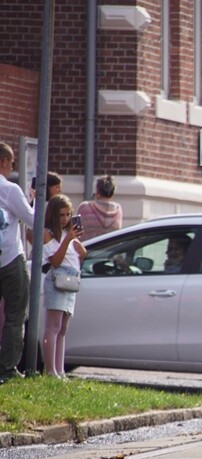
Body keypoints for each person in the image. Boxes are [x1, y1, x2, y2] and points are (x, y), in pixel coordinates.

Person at [41, 195, 87, 378]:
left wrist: (76, 241)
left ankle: (60, 370)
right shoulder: (49, 233)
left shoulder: (68, 234)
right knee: (53, 326)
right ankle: (50, 370)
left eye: (69, 214)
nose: (66, 219)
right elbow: (56, 261)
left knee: (63, 329)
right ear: (53, 214)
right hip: (57, 280)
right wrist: (68, 239)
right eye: (61, 215)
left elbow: (82, 254)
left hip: (71, 281)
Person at [0, 143, 33, 385]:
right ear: (3, 162)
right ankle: (7, 369)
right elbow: (32, 219)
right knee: (15, 315)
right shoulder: (10, 189)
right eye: (12, 163)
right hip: (10, 259)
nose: (12, 168)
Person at [76, 175, 122, 240]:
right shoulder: (118, 210)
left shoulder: (84, 207)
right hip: (111, 249)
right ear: (112, 192)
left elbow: (75, 233)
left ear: (97, 190)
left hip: (87, 248)